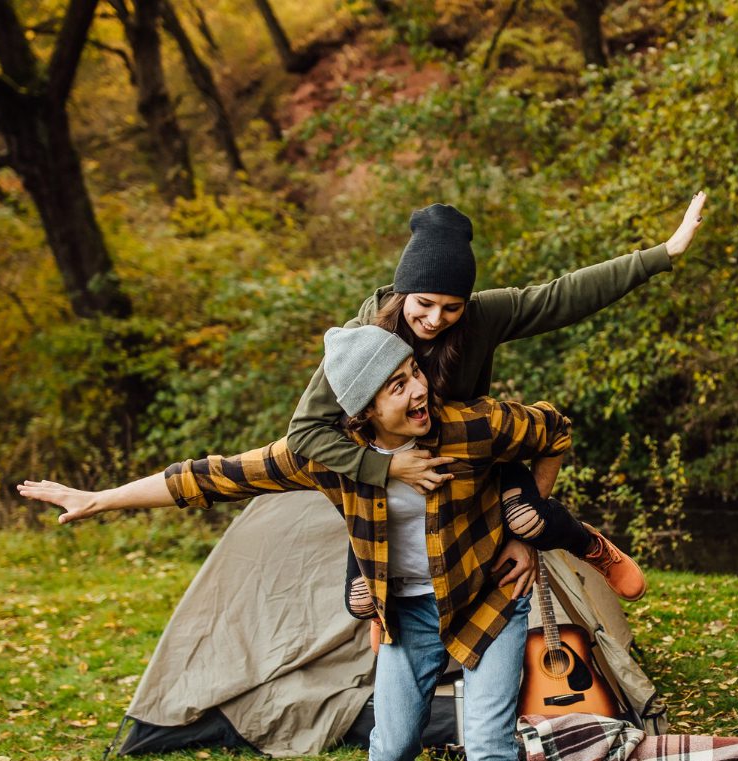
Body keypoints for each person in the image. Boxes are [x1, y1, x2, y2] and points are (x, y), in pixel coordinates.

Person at [20, 324, 568, 761]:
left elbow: (554, 430)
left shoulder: (470, 427)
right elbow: (213, 477)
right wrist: (100, 499)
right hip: (407, 613)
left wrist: (527, 529)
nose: (418, 391)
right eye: (397, 387)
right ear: (363, 412)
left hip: (488, 602)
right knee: (391, 747)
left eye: (414, 374)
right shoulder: (330, 457)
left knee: (488, 751)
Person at [288, 193, 708, 601]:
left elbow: (563, 296)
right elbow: (304, 432)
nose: (435, 319)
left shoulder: (481, 317)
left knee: (529, 519)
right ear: (402, 292)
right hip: (388, 467)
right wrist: (386, 466)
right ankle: (388, 617)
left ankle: (590, 545)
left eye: (451, 308)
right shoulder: (361, 342)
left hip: (472, 453)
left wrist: (662, 254)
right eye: (424, 303)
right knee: (361, 598)